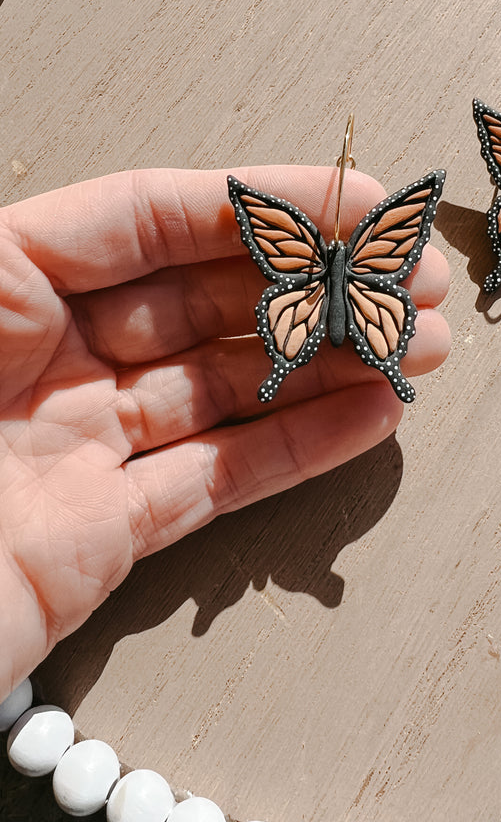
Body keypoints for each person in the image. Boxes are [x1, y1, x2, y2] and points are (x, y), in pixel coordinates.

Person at [0, 164, 450, 704]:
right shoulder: (367, 242)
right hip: (358, 302)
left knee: (325, 347)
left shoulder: (294, 246)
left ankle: (334, 368)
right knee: (357, 341)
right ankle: (332, 368)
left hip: (299, 303)